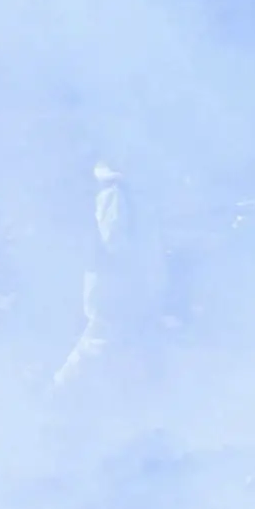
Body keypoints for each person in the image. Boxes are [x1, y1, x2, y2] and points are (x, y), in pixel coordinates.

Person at [54, 160, 163, 390]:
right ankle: (61, 389)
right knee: (100, 336)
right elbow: (114, 241)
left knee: (114, 337)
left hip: (118, 280)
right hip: (114, 281)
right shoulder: (115, 194)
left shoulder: (123, 194)